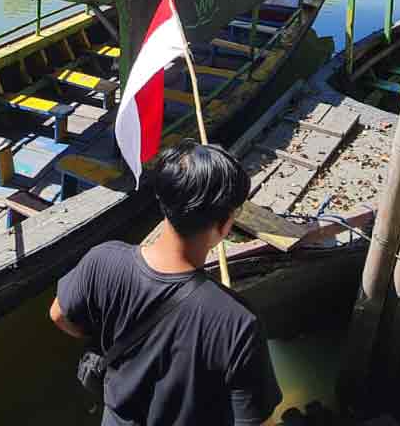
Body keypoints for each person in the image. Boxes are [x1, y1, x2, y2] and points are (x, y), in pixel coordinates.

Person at [51, 141, 282, 426]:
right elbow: (254, 421)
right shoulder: (238, 322)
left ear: (164, 202)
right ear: (224, 226)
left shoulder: (103, 259)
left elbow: (59, 315)